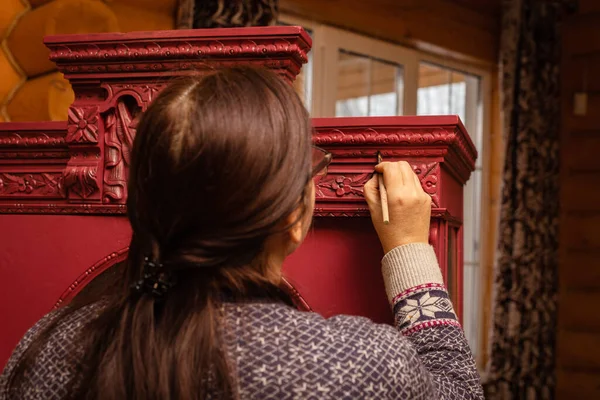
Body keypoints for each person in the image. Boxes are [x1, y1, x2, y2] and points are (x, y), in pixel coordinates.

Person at [0, 66, 483, 399]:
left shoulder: (47, 348)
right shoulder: (354, 366)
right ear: (293, 218)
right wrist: (410, 251)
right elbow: (458, 392)